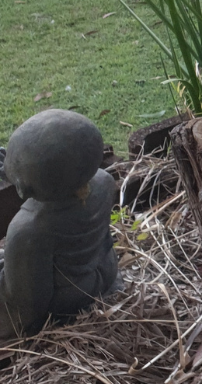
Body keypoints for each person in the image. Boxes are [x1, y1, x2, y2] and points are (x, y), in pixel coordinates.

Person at [0, 110, 119, 340]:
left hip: (70, 299)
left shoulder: (29, 229)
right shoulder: (104, 181)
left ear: (25, 189)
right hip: (104, 272)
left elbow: (27, 305)